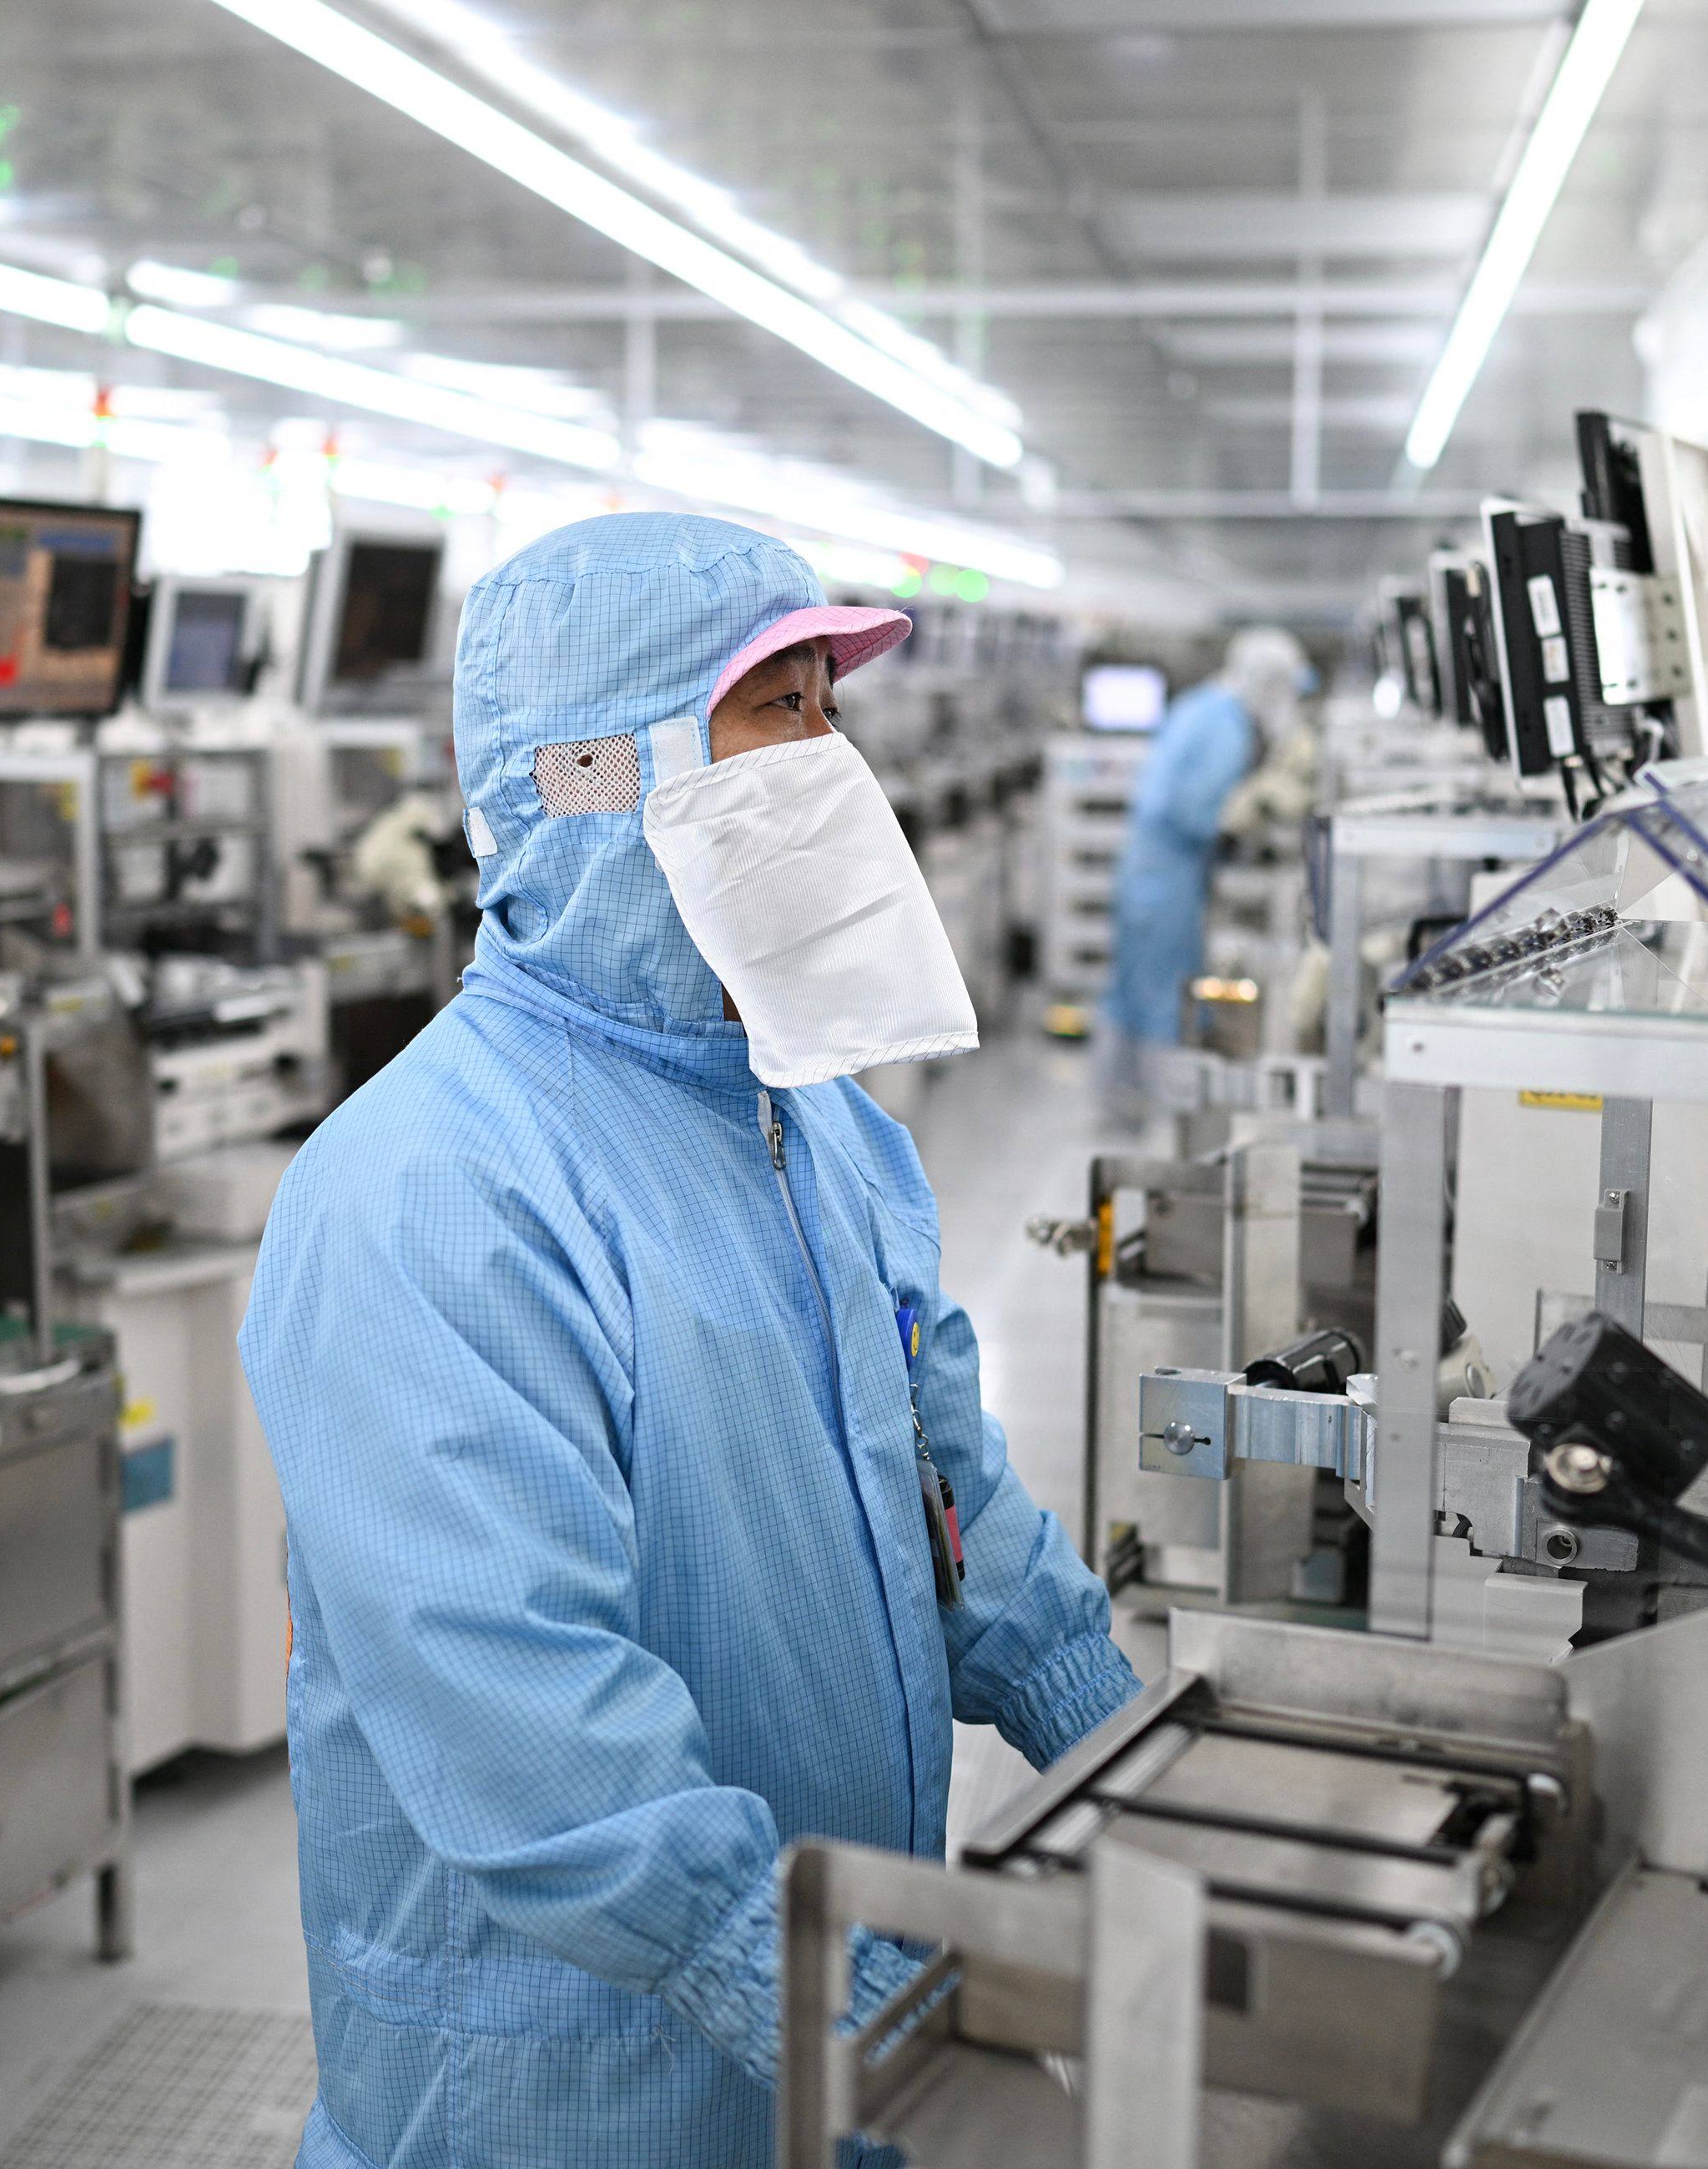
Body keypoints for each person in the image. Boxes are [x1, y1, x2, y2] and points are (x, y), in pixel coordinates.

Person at [240, 512, 1141, 2169]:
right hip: (567, 2092)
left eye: (826, 705)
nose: (829, 761)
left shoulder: (822, 1129)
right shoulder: (427, 1197)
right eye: (777, 710)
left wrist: (1126, 1755)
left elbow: (959, 1514)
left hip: (809, 2042)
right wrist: (856, 2015)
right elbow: (529, 1721)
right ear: (594, 776)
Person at [1096, 625, 1309, 1125]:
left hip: (1147, 870)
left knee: (1132, 988)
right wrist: (1243, 822)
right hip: (1168, 876)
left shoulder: (1203, 706)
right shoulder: (1227, 727)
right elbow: (1195, 812)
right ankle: (1163, 1115)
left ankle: (1120, 1104)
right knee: (1164, 996)